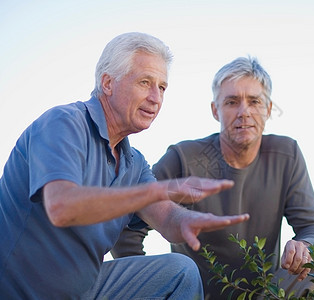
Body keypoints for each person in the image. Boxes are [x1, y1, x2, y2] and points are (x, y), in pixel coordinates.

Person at [0, 32, 250, 299]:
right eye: (145, 82)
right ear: (108, 83)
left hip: (85, 289)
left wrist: (189, 219)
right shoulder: (64, 123)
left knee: (180, 271)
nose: (156, 98)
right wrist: (156, 191)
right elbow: (62, 207)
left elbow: (165, 217)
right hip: (20, 289)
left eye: (162, 87)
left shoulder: (134, 162)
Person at [112, 56, 314, 299]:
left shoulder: (287, 154)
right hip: (196, 295)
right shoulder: (183, 157)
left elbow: (312, 228)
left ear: (268, 109)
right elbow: (126, 228)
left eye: (254, 101)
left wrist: (305, 246)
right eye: (232, 102)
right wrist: (149, 287)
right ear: (215, 110)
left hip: (269, 292)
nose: (244, 112)